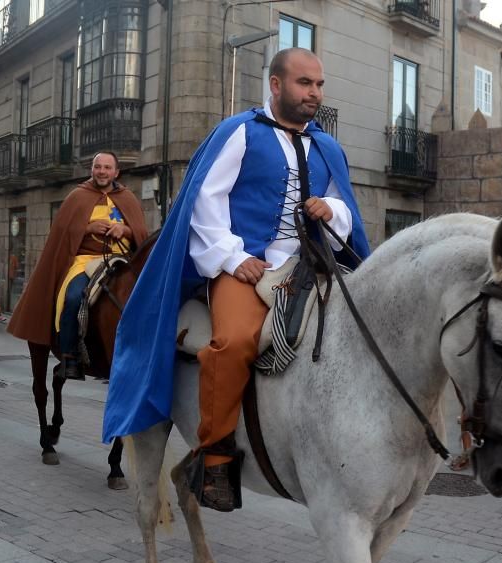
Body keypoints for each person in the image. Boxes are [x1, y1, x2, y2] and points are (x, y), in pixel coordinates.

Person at [103, 48, 370, 511]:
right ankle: (216, 455)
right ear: (276, 85)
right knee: (233, 342)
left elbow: (342, 201)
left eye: (319, 85)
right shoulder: (240, 132)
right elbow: (207, 199)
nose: (315, 93)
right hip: (249, 268)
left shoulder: (327, 146)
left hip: (312, 262)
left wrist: (334, 211)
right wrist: (231, 258)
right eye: (305, 83)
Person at [7, 152, 148, 379]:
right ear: (92, 169)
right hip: (84, 261)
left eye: (107, 167)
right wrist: (87, 228)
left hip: (121, 259)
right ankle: (70, 356)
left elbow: (141, 233)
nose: (102, 171)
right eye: (98, 167)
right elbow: (61, 233)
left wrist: (125, 230)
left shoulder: (128, 198)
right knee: (73, 297)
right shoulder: (77, 197)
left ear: (116, 172)